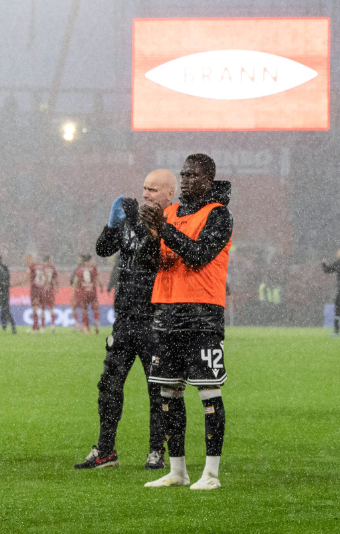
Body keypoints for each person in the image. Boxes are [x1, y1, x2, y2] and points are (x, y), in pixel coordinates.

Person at [141, 154, 234, 491]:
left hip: (201, 313)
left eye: (193, 175)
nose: (187, 180)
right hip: (166, 311)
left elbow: (198, 255)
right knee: (167, 392)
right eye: (184, 175)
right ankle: (177, 471)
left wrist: (164, 229)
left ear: (208, 179)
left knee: (209, 393)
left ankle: (210, 473)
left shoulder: (218, 215)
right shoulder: (168, 213)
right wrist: (151, 235)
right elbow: (150, 263)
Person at [75, 170, 175, 471]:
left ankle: (156, 451)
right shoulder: (130, 219)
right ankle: (105, 450)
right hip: (124, 320)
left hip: (155, 321)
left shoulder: (172, 224)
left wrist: (137, 225)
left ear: (170, 194)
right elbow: (103, 250)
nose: (145, 194)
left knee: (157, 389)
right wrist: (112, 225)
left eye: (153, 190)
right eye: (144, 188)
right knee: (108, 386)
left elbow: (151, 257)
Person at [71, 254, 101, 335]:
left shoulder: (79, 269)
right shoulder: (94, 268)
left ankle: (87, 330)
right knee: (96, 309)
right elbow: (97, 279)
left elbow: (75, 282)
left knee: (84, 311)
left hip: (82, 293)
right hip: (92, 292)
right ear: (90, 260)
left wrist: (72, 294)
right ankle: (96, 321)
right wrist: (101, 286)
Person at [28, 254, 58, 332]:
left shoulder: (41, 267)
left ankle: (43, 326)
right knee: (51, 308)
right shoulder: (52, 268)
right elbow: (55, 279)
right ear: (49, 260)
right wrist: (57, 288)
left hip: (41, 289)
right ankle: (52, 326)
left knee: (42, 309)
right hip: (49, 290)